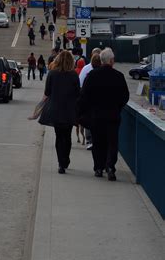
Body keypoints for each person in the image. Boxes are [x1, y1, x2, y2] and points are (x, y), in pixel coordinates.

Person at [78, 48, 129, 181]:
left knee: (98, 142)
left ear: (101, 61)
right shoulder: (118, 76)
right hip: (113, 115)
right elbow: (125, 96)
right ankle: (110, 167)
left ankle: (98, 168)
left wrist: (83, 112)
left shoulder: (92, 76)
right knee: (112, 142)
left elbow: (84, 96)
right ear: (111, 61)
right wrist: (118, 107)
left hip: (96, 116)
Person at [42, 50, 81, 174]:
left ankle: (60, 164)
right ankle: (66, 159)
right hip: (69, 110)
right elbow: (77, 94)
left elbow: (47, 92)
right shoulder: (74, 75)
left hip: (56, 109)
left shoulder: (52, 74)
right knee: (67, 136)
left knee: (59, 136)